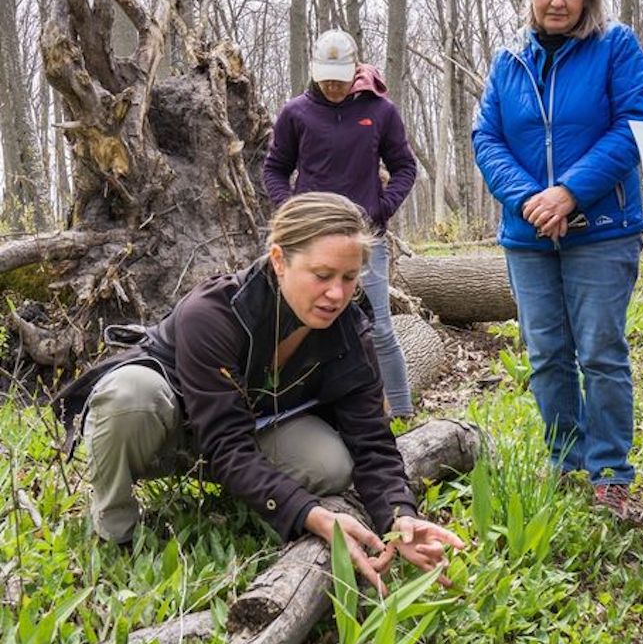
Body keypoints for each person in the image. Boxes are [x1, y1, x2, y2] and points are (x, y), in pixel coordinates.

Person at [53, 192, 461, 594]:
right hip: (170, 426)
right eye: (322, 276)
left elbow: (371, 440)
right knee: (131, 396)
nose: (337, 294)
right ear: (280, 260)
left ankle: (246, 494)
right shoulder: (213, 313)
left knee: (331, 463)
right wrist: (310, 514)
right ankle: (115, 532)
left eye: (349, 278)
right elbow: (226, 442)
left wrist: (398, 516)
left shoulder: (351, 333)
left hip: (243, 430)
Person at [472, 0, 643, 520]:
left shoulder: (616, 47)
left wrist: (570, 192)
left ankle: (610, 471)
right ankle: (565, 460)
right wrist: (531, 199)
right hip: (529, 235)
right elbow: (486, 138)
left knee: (600, 350)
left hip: (602, 227)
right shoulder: (508, 61)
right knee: (547, 353)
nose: (556, 1)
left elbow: (634, 127)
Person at [263, 29, 416, 418]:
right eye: (326, 76)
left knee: (378, 326)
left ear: (354, 71)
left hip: (366, 239)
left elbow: (404, 167)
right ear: (315, 71)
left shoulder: (380, 112)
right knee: (305, 324)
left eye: (340, 77)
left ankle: (400, 410)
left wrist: (380, 209)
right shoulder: (295, 113)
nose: (332, 85)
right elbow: (275, 171)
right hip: (310, 241)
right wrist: (294, 212)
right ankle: (304, 412)